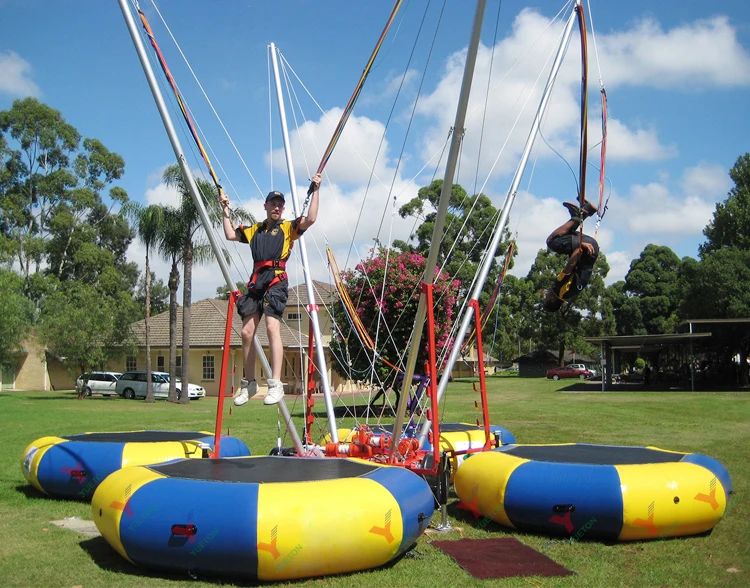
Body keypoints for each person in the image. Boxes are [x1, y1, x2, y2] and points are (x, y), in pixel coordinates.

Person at [219, 173, 321, 406]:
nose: (277, 207)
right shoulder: (255, 230)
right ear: (265, 206)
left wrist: (316, 190)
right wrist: (225, 209)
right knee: (246, 333)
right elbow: (229, 234)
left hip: (276, 280)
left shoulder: (288, 228)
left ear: (283, 210)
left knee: (272, 326)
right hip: (257, 282)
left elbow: (311, 218)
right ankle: (250, 383)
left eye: (280, 205)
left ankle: (275, 384)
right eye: (273, 204)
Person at [542, 199, 599, 312]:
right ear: (552, 300)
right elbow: (570, 266)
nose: (546, 295)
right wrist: (580, 246)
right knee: (552, 241)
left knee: (565, 236)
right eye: (546, 298)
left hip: (591, 252)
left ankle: (587, 210)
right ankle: (577, 216)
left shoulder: (568, 295)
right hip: (587, 249)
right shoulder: (559, 288)